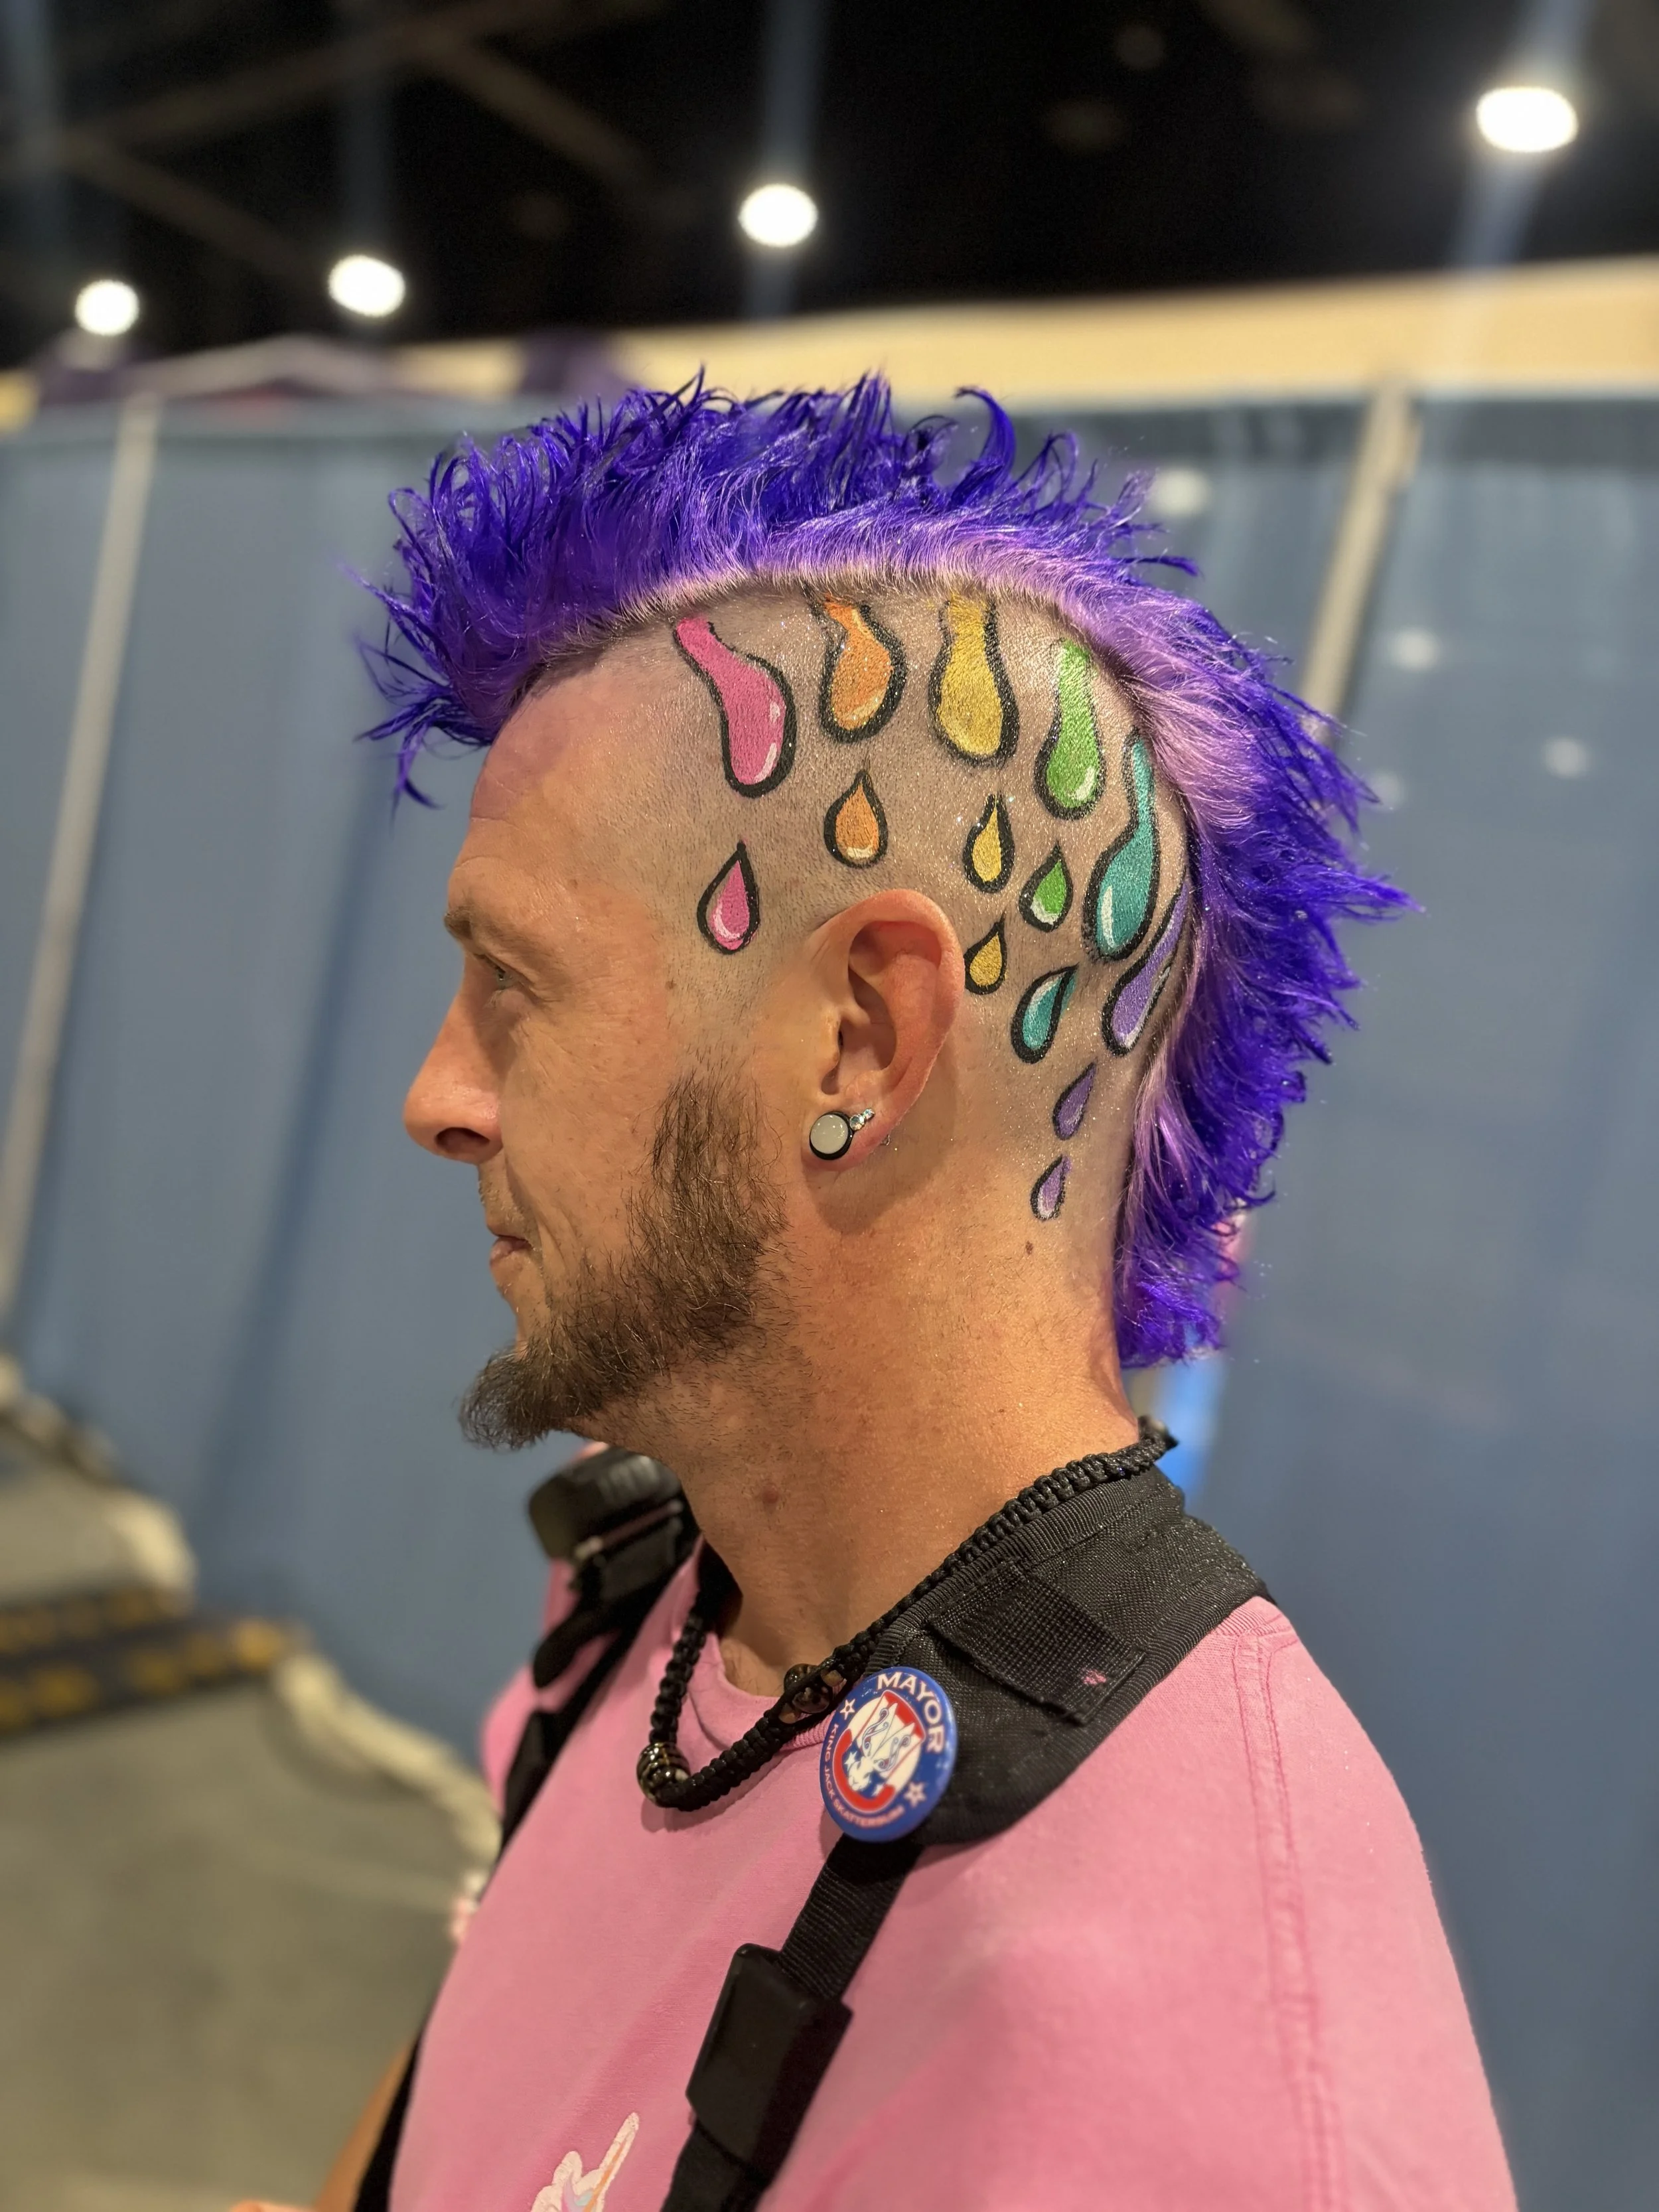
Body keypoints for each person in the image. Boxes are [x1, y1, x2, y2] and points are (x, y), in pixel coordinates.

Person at [238, 382, 1513, 2212]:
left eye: (512, 983)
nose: (437, 1095)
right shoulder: (671, 1592)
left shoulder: (1211, 2080)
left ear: (862, 1033)